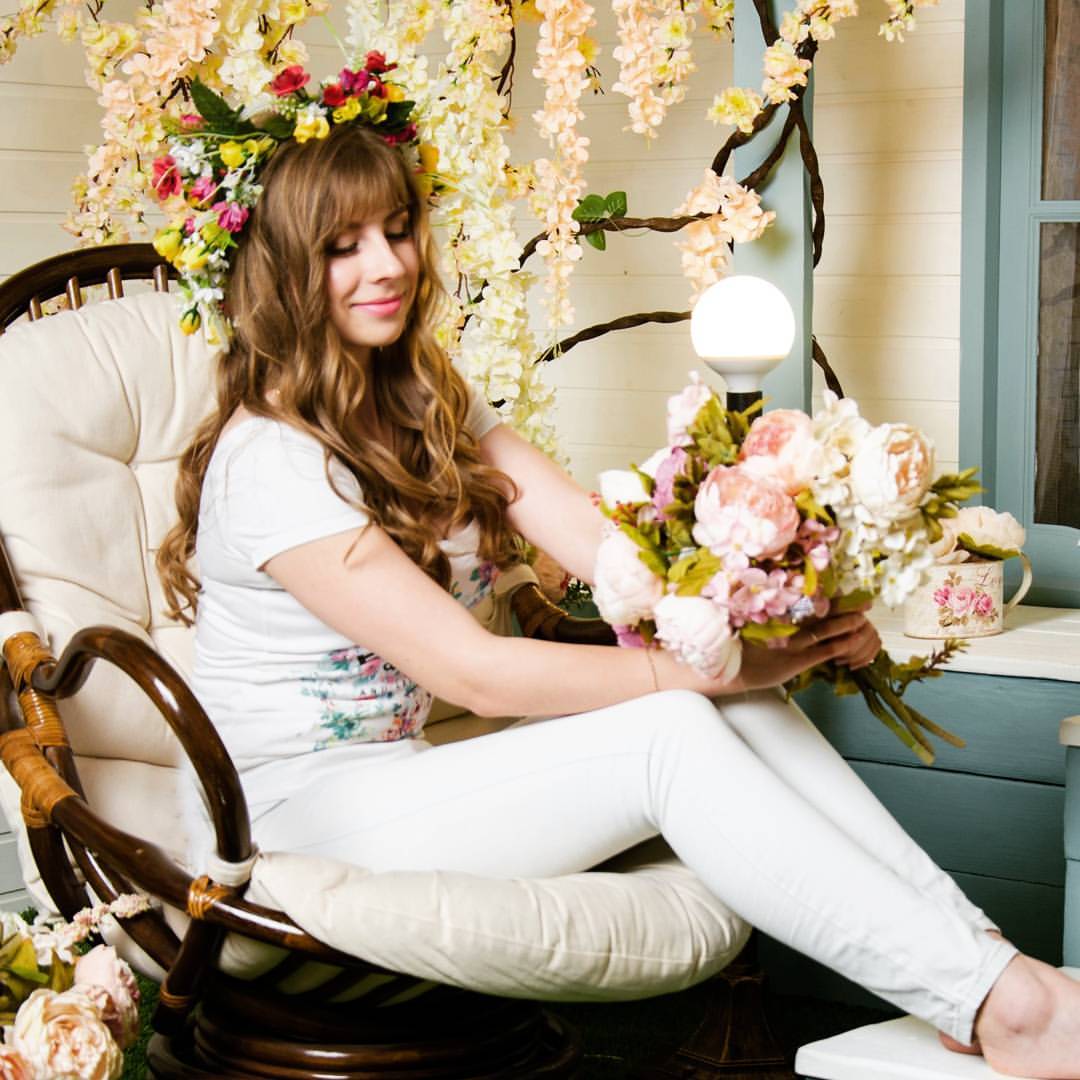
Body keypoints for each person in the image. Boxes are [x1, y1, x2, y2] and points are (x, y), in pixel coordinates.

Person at [156, 79, 1080, 1079]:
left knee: (736, 700)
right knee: (676, 724)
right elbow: (478, 676)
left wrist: (790, 610)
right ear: (282, 271)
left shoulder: (425, 400)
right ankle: (999, 1001)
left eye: (397, 229)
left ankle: (989, 979)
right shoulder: (271, 461)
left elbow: (613, 554)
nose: (386, 265)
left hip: (401, 781)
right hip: (293, 823)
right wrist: (712, 670)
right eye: (342, 245)